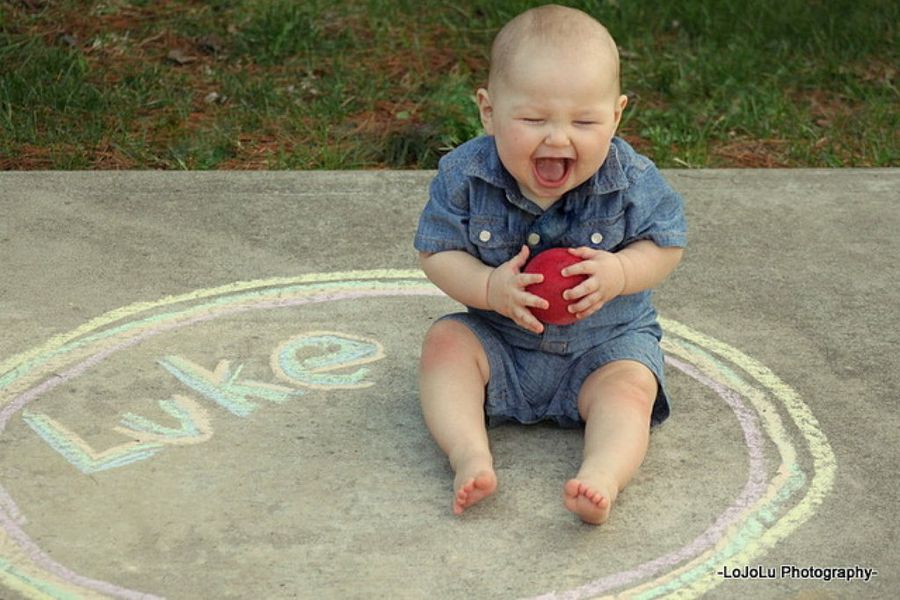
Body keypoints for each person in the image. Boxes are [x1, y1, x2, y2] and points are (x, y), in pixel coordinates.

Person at [414, 4, 687, 525]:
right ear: (489, 111)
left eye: (585, 121)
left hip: (602, 350)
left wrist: (622, 273)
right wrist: (489, 287)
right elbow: (436, 251)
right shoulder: (465, 176)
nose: (559, 138)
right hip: (502, 345)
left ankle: (603, 473)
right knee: (446, 343)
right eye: (533, 119)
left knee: (631, 386)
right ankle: (468, 452)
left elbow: (667, 244)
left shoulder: (632, 181)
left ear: (617, 114)